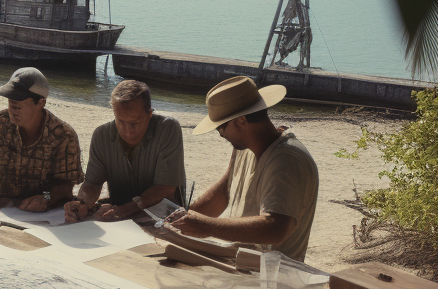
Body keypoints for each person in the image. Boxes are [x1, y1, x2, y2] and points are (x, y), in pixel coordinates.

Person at [168, 75, 318, 262]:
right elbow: (223, 193)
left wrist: (206, 227)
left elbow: (276, 228)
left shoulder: (286, 160)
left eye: (220, 127)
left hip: (273, 277)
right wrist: (177, 219)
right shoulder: (244, 147)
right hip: (240, 264)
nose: (221, 134)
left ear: (241, 121)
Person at [0, 67, 83, 213]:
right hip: (1, 211)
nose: (12, 104)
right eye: (10, 96)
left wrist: (46, 198)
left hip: (43, 215)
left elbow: (65, 187)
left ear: (41, 103)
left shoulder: (64, 136)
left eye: (19, 98)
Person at [64, 80, 185, 223]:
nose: (127, 131)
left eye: (135, 123)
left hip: (162, 218)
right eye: (120, 121)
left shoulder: (168, 128)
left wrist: (123, 210)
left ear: (150, 114)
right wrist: (82, 203)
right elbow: (92, 185)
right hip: (118, 216)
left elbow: (166, 188)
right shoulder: (101, 135)